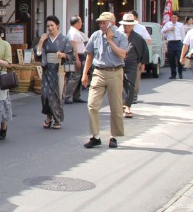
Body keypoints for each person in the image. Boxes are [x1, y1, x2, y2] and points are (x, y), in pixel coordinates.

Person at [81, 13, 128, 149]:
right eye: (100, 23)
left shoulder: (121, 36)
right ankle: (95, 136)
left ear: (112, 23)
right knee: (92, 104)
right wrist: (85, 74)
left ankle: (114, 136)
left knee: (116, 106)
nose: (101, 25)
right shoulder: (95, 35)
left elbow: (122, 54)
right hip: (99, 71)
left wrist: (110, 40)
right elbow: (89, 55)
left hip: (115, 71)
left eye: (104, 22)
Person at [35, 15, 74, 130]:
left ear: (57, 25)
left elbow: (71, 56)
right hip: (47, 70)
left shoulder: (64, 39)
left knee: (57, 95)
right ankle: (48, 117)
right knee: (45, 95)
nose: (50, 28)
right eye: (48, 26)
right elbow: (38, 54)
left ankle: (57, 119)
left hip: (59, 71)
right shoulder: (45, 39)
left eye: (52, 25)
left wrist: (63, 55)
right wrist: (41, 41)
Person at [119, 13, 149, 119]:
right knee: (118, 84)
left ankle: (127, 106)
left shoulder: (137, 37)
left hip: (132, 62)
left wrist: (143, 64)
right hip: (118, 62)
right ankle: (120, 104)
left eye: (128, 25)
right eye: (125, 25)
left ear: (133, 25)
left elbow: (144, 50)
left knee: (130, 84)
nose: (126, 27)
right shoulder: (117, 35)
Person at [64, 16, 87, 104]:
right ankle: (66, 96)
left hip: (80, 55)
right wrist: (77, 59)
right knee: (74, 76)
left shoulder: (75, 32)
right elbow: (73, 47)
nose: (82, 24)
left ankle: (76, 96)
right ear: (77, 23)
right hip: (76, 56)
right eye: (80, 22)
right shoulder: (72, 32)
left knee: (79, 76)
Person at [161, 14, 185, 79]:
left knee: (179, 58)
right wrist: (169, 29)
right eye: (172, 17)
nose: (173, 18)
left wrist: (183, 43)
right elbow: (162, 32)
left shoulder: (180, 25)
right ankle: (173, 74)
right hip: (171, 43)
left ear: (177, 18)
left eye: (175, 17)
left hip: (178, 42)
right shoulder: (167, 24)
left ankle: (180, 72)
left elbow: (183, 35)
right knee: (171, 59)